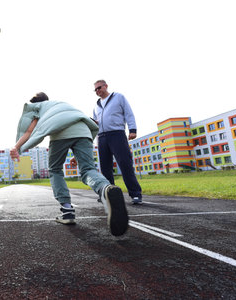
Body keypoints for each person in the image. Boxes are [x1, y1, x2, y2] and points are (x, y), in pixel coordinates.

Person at [10, 92, 128, 236]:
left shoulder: (37, 108)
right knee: (88, 169)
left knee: (54, 170)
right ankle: (105, 188)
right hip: (84, 130)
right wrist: (77, 156)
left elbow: (29, 131)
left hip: (60, 132)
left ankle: (67, 211)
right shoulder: (60, 103)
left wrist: (16, 147)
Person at [92, 79, 142, 204]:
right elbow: (94, 121)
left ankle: (135, 194)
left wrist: (132, 129)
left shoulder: (118, 97)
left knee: (125, 164)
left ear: (106, 86)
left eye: (99, 88)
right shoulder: (96, 105)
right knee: (105, 168)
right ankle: (109, 195)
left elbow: (128, 113)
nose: (97, 91)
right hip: (101, 137)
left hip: (117, 134)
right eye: (95, 89)